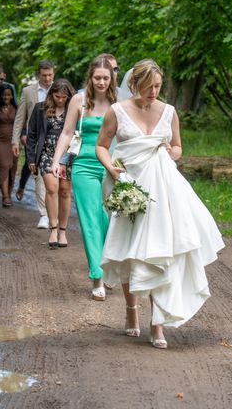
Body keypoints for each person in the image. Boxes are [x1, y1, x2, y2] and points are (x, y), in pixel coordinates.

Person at [95, 59, 224, 349]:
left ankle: (158, 323)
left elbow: (178, 148)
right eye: (148, 86)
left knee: (160, 253)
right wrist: (112, 169)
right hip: (131, 187)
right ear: (134, 84)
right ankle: (131, 312)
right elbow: (102, 146)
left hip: (164, 192)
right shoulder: (117, 112)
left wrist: (171, 151)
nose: (154, 91)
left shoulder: (169, 112)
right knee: (130, 251)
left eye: (158, 86)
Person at [51, 55, 117, 301]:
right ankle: (97, 276)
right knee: (90, 219)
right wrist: (57, 161)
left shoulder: (117, 103)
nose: (101, 82)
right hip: (84, 165)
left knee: (109, 219)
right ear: (90, 77)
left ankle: (110, 265)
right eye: (97, 77)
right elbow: (67, 133)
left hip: (112, 165)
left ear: (112, 79)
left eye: (105, 78)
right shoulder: (79, 101)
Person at [27, 79, 75, 248]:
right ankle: (53, 228)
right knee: (52, 188)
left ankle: (63, 230)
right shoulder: (40, 108)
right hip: (46, 153)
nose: (60, 100)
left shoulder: (74, 110)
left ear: (68, 96)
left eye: (63, 97)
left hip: (67, 154)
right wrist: (31, 158)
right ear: (51, 94)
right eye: (57, 96)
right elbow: (32, 134)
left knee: (64, 191)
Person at [12, 60, 54, 229]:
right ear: (39, 75)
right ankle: (44, 214)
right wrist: (15, 139)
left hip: (55, 137)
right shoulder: (28, 91)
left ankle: (53, 211)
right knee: (39, 177)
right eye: (44, 75)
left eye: (50, 75)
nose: (47, 79)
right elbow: (20, 117)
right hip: (35, 138)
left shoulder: (59, 89)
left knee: (55, 175)